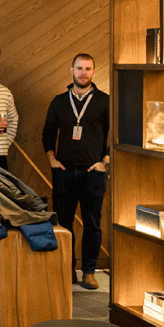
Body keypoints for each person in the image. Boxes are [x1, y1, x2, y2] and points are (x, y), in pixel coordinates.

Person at [43, 53, 111, 290]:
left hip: (94, 172)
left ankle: (89, 272)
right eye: (79, 68)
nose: (83, 72)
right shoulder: (59, 101)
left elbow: (116, 134)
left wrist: (106, 161)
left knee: (93, 223)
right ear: (71, 71)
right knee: (64, 223)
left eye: (88, 68)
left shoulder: (105, 101)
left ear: (94, 72)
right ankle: (67, 269)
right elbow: (48, 134)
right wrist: (51, 158)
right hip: (63, 172)